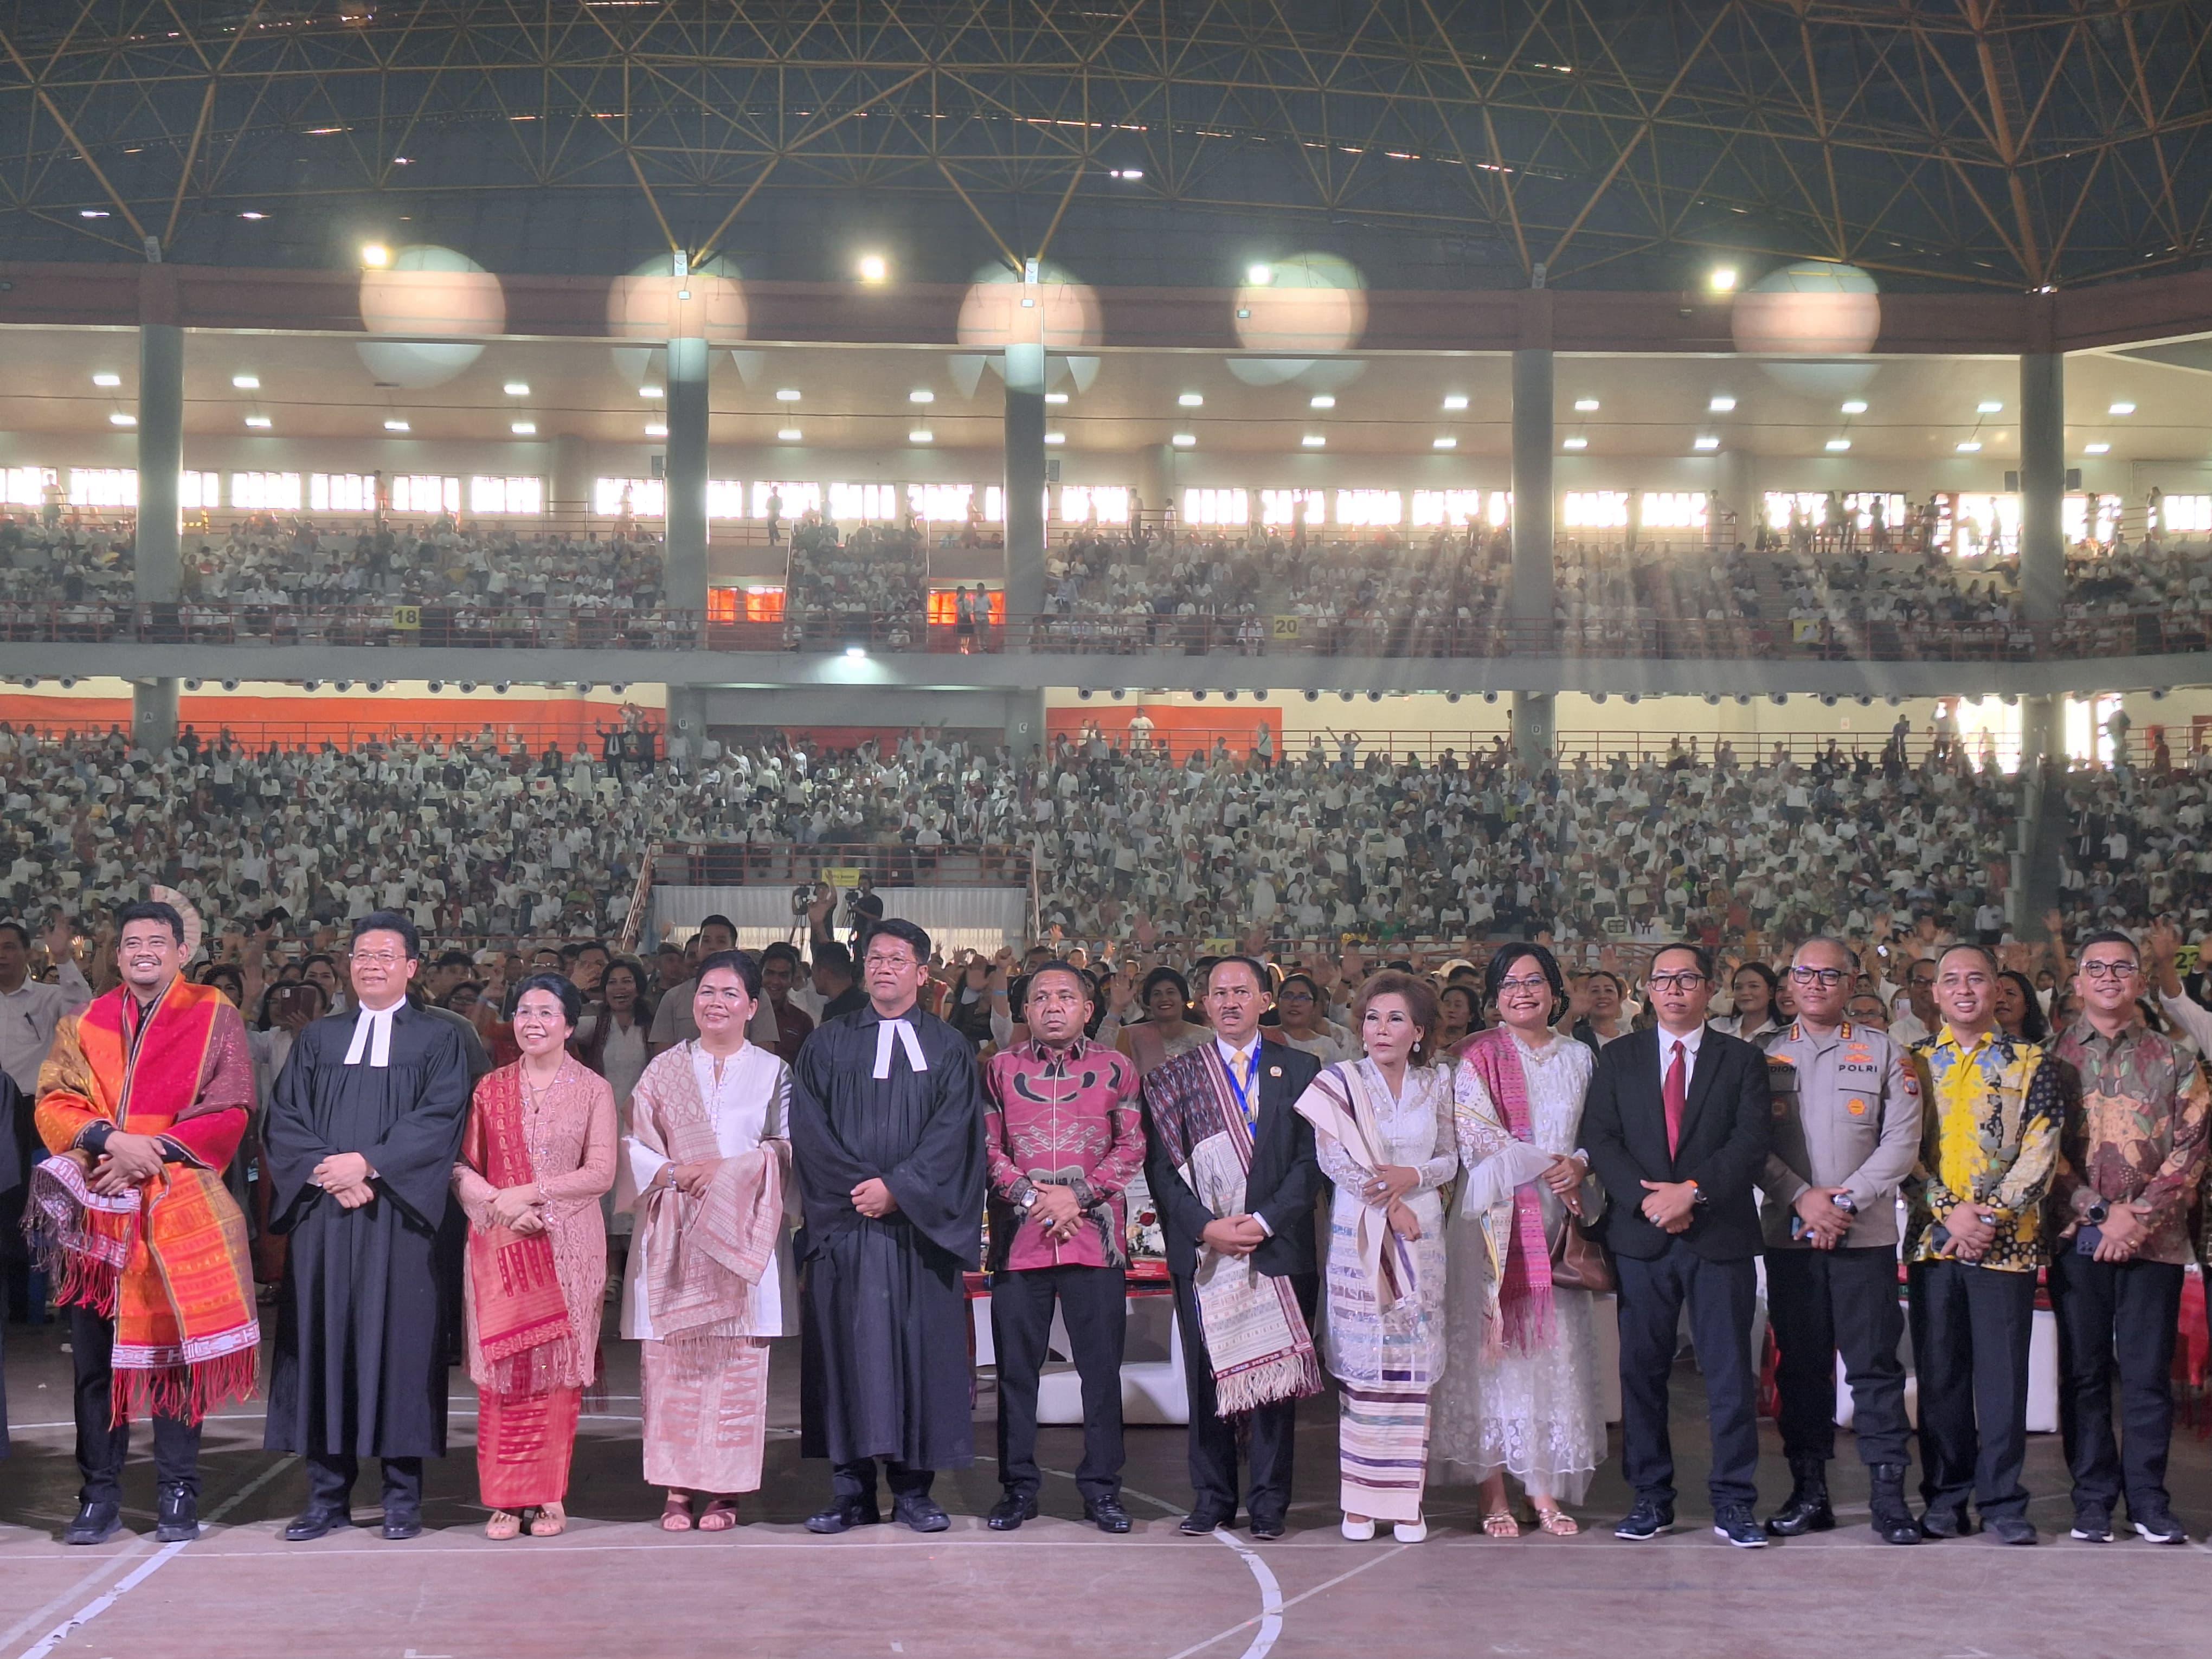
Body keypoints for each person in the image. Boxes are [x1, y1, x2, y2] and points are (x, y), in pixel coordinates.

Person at [26, 899, 258, 1545]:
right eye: (132, 943)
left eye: (157, 941)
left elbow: (232, 1103)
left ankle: (178, 1491)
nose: (144, 951)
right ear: (117, 955)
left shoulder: (215, 1012)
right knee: (96, 1366)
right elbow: (55, 1099)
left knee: (177, 1358)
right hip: (100, 1215)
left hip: (177, 1206)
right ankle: (98, 1494)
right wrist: (108, 1138)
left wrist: (145, 1154)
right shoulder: (86, 1020)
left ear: (182, 951)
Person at [264, 911, 473, 1542]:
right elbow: (284, 1119)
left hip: (399, 1219)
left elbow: (441, 1119)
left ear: (412, 967)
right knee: (322, 1344)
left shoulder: (440, 1040)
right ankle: (326, 1496)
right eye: (361, 955)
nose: (371, 965)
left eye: (386, 955)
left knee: (402, 1350)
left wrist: (371, 1164)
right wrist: (336, 1173)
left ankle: (402, 1498)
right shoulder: (319, 1040)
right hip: (326, 1218)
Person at [790, 918, 986, 1534]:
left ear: (923, 973)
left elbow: (957, 1134)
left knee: (918, 1358)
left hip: (918, 1234)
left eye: (897, 959)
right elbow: (809, 1130)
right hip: (847, 1228)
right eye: (873, 957)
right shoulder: (827, 1043)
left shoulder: (951, 1048)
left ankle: (914, 1491)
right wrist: (862, 1191)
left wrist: (900, 1190)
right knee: (846, 1357)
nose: (882, 967)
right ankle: (849, 1491)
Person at [1580, 943, 1772, 1547]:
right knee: (1642, 1373)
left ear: (1708, 988)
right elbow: (1601, 1140)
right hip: (1642, 1238)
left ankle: (1735, 1501)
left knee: (1727, 1375)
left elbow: (1749, 1142)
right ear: (1649, 989)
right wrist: (1650, 1202)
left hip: (1719, 1234)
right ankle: (1651, 1498)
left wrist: (1690, 1192)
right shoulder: (1620, 1058)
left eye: (1686, 979)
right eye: (1662, 979)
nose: (1674, 989)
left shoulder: (1741, 1059)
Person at [1141, 956, 1323, 1540]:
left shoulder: (1301, 1068)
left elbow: (1310, 1161)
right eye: (1218, 992)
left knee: (1275, 1382)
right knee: (1207, 1374)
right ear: (1203, 1003)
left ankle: (1269, 1504)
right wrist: (1205, 1227)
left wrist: (1267, 1221)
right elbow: (1162, 1169)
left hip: (1276, 1245)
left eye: (1241, 991)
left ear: (1264, 999)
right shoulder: (1176, 1078)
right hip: (1207, 1252)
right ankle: (1212, 1497)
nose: (1229, 1002)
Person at [1756, 937, 1924, 1545]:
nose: (1818, 983)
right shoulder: (1762, 1054)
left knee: (1875, 1369)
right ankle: (1809, 1493)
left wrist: (1842, 1202)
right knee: (1799, 1370)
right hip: (1790, 1236)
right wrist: (1803, 1198)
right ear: (1790, 983)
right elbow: (1753, 1145)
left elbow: (1901, 1144)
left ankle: (1888, 1498)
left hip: (1864, 1238)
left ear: (1853, 982)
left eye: (1832, 974)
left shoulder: (1885, 1052)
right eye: (1806, 973)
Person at [1436, 943, 1606, 1536]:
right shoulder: (1472, 1056)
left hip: (1560, 1219)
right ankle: (1492, 1494)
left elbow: (1598, 1130)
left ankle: (1541, 1489)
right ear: (1494, 997)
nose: (1522, 993)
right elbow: (1476, 1138)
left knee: (1549, 1354)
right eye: (1509, 984)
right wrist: (1547, 1161)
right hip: (1492, 1222)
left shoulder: (1581, 1058)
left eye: (1534, 982)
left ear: (1556, 991)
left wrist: (1580, 1162)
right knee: (1495, 1355)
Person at [622, 950, 794, 1531]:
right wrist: (672, 1174)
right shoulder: (663, 1070)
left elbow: (786, 1149)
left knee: (735, 1364)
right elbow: (634, 1144)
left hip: (742, 1236)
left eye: (729, 994)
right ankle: (676, 1487)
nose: (715, 1003)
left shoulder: (774, 1073)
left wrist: (730, 1171)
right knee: (671, 1363)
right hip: (673, 1228)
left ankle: (725, 1490)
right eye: (706, 992)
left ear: (752, 1005)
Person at [2045, 930, 2207, 1545]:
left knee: (2144, 1378)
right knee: (2084, 1374)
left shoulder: (2176, 1060)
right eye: (2097, 968)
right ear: (2078, 982)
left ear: (2141, 981)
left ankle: (2148, 1500)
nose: (2110, 977)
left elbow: (2192, 1149)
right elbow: (2043, 1150)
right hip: (2075, 1237)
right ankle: (2091, 1501)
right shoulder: (2049, 1056)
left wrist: (2135, 1218)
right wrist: (2097, 1212)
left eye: (2123, 968)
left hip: (2154, 1243)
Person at [1903, 942, 2062, 1546]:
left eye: (1977, 979)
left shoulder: (2032, 1062)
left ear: (1998, 989)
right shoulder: (1912, 1063)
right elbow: (1904, 1153)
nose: (1965, 989)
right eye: (1952, 980)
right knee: (1941, 1378)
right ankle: (1944, 1499)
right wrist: (1949, 1214)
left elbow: (2041, 1151)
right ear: (1935, 993)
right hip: (1932, 1244)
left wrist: (1988, 1217)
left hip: (2008, 1246)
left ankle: (2003, 1502)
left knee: (2002, 1380)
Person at [979, 963, 1146, 1534]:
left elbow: (1131, 1147)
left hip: (1094, 1243)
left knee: (1100, 1375)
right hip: (1018, 1244)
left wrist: (1075, 1197)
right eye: (1040, 998)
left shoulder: (1117, 1068)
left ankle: (1102, 1491)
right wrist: (1031, 1197)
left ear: (1088, 1009)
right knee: (1015, 1375)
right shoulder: (998, 1069)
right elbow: (986, 1148)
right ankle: (1017, 1489)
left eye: (1065, 997)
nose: (1053, 1006)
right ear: (1024, 1011)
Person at [451, 973, 615, 1540]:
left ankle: (547, 1496)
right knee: (503, 1375)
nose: (533, 1023)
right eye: (524, 1012)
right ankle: (503, 1498)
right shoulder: (488, 1088)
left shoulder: (593, 1089)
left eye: (547, 1013)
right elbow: (462, 1170)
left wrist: (534, 1194)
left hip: (569, 1247)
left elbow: (600, 1173)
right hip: (501, 1245)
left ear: (570, 1025)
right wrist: (501, 1204)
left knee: (555, 1378)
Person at [1295, 969, 1454, 1542]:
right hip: (1360, 1234)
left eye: (1395, 1019)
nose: (1380, 1029)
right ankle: (1360, 1503)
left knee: (1410, 1373)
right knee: (1366, 1373)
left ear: (1419, 1032)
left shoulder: (1437, 1085)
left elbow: (1449, 1160)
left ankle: (1406, 1503)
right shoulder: (1339, 1082)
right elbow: (1334, 1161)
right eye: (1371, 1017)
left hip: (1422, 1239)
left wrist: (1413, 1176)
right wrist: (1390, 1207)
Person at [0, 914, 92, 1096]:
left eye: (8, 948)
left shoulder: (49, 997)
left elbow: (83, 1010)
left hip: (33, 1105)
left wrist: (62, 957)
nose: (1, 955)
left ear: (28, 954)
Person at [646, 915, 738, 1055]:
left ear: (734, 949)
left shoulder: (755, 996)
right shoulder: (673, 997)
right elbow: (662, 1058)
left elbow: (763, 1058)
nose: (712, 947)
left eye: (721, 941)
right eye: (706, 941)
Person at [1118, 966, 1208, 1075]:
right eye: (1157, 994)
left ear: (1183, 999)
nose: (1164, 999)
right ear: (1149, 1002)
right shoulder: (1130, 1035)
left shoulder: (1206, 1037)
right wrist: (1115, 1008)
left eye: (1170, 992)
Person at [754, 942, 816, 1064]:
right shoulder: (744, 1014)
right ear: (760, 974)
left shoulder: (802, 1021)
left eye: (783, 976)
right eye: (770, 973)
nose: (775, 981)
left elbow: (806, 1068)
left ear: (792, 980)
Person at [1714, 961, 1782, 1043]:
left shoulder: (1781, 1037)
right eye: (1738, 987)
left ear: (1771, 992)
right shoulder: (1716, 1028)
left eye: (1754, 986)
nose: (1745, 992)